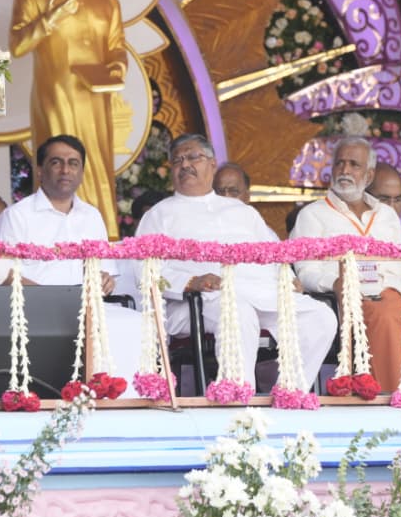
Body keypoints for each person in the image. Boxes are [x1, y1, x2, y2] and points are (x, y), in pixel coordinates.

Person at [137, 133, 337, 390]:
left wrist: (287, 278)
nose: (185, 164)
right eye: (177, 160)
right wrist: (191, 282)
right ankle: (239, 402)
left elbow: (271, 251)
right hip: (198, 302)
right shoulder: (159, 215)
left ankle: (291, 392)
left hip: (259, 293)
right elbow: (145, 270)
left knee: (320, 316)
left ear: (211, 164)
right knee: (236, 311)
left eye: (193, 157)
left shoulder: (241, 211)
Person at [290, 137, 401, 395]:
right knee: (388, 317)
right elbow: (306, 271)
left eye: (354, 165)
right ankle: (397, 400)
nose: (344, 171)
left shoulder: (385, 215)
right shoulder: (313, 214)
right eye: (340, 163)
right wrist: (336, 283)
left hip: (398, 295)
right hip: (352, 300)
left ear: (369, 174)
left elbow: (400, 268)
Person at [0, 135, 142, 395]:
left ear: (81, 171)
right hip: (32, 310)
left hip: (86, 309)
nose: (66, 170)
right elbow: (1, 274)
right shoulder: (17, 216)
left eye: (73, 163)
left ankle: (117, 402)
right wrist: (51, 298)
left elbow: (107, 273)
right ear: (40, 170)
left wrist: (104, 280)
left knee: (133, 323)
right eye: (56, 162)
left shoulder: (91, 216)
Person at [10, 0, 128, 240]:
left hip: (94, 94)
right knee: (58, 159)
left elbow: (116, 45)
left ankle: (102, 235)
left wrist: (117, 67)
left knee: (95, 162)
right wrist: (50, 20)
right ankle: (49, 230)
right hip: (56, 91)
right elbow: (17, 45)